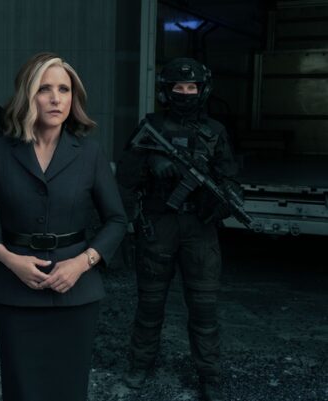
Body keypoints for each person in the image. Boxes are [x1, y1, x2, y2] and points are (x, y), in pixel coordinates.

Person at [0, 52, 127, 401]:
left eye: (64, 89)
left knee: (68, 389)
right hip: (14, 290)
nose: (56, 98)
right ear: (28, 95)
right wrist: (10, 260)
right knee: (21, 390)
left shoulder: (90, 153)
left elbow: (117, 220)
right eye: (45, 88)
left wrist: (82, 263)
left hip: (76, 291)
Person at [116, 58, 238, 401]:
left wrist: (223, 200)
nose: (185, 93)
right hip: (159, 224)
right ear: (166, 92)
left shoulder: (214, 131)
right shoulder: (150, 127)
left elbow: (230, 178)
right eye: (178, 87)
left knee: (204, 307)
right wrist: (151, 162)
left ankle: (209, 375)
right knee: (150, 303)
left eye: (191, 87)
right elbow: (124, 177)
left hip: (200, 228)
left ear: (203, 90)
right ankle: (140, 365)